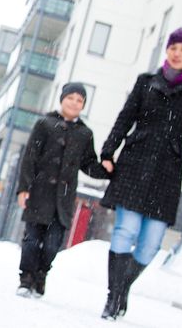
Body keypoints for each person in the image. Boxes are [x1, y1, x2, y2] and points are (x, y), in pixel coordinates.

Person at [98, 28, 182, 320]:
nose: (177, 53)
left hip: (167, 171)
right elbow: (125, 117)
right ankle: (113, 298)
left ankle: (122, 288)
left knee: (151, 242)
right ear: (167, 50)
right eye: (173, 47)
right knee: (126, 230)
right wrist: (108, 151)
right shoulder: (146, 83)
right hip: (135, 162)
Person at [16, 83, 111, 298]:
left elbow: (88, 164)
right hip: (39, 194)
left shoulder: (85, 133)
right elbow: (30, 157)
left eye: (80, 100)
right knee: (31, 240)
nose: (74, 103)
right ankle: (26, 278)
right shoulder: (44, 124)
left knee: (52, 244)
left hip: (64, 199)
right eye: (71, 98)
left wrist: (106, 171)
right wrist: (24, 188)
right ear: (62, 99)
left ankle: (41, 275)